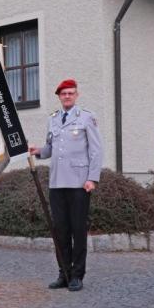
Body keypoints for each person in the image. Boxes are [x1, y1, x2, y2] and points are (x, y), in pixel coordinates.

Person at [28, 79, 102, 292]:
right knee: (60, 230)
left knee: (78, 230)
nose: (67, 96)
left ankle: (77, 275)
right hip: (57, 183)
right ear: (59, 97)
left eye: (70, 93)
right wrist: (37, 151)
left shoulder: (87, 118)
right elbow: (50, 149)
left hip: (80, 183)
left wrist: (92, 178)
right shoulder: (53, 120)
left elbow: (96, 151)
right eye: (63, 94)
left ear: (76, 95)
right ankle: (64, 273)